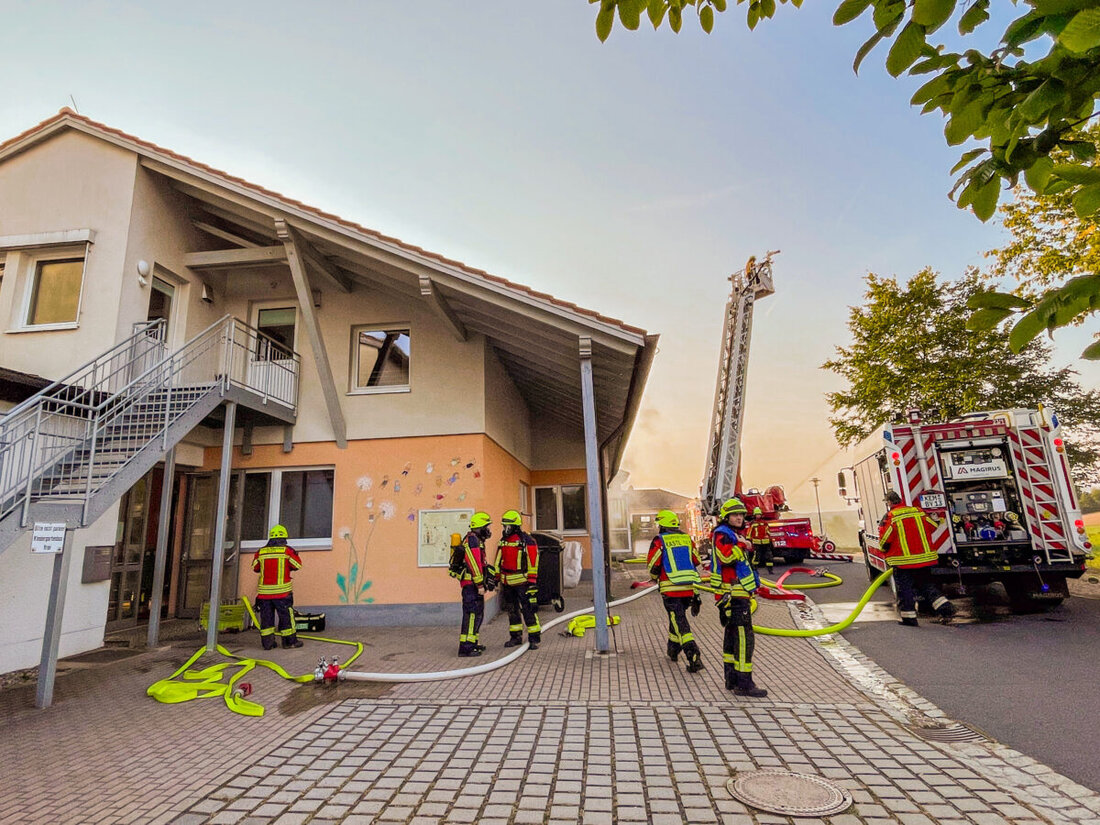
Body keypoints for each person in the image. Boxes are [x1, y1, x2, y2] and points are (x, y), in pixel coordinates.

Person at [711, 498, 767, 697]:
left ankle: (732, 679)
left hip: (736, 593)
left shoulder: (733, 534)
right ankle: (744, 684)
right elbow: (725, 557)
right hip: (734, 594)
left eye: (742, 514)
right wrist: (742, 545)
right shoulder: (723, 534)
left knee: (732, 637)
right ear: (726, 517)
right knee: (744, 639)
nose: (739, 518)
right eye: (735, 515)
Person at [879, 491, 956, 626]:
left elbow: (886, 539)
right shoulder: (918, 512)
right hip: (925, 559)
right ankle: (945, 607)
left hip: (903, 562)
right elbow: (933, 525)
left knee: (905, 590)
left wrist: (883, 549)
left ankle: (909, 618)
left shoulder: (892, 516)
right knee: (926, 585)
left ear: (889, 503)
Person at [647, 510, 705, 673]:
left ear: (663, 525)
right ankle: (673, 650)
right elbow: (697, 560)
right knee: (677, 618)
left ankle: (693, 655)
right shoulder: (687, 539)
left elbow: (653, 564)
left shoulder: (660, 540)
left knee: (680, 622)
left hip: (670, 589)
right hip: (688, 589)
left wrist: (653, 577)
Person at [252, 524, 303, 650]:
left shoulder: (261, 552)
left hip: (264, 595)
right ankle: (289, 642)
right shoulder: (286, 551)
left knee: (266, 619)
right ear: (284, 538)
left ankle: (268, 644)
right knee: (286, 618)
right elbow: (297, 565)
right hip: (282, 593)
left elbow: (255, 568)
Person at [495, 509, 541, 649]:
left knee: (528, 610)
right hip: (507, 582)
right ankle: (515, 637)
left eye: (507, 526)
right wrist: (497, 577)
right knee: (512, 611)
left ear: (515, 526)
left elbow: (533, 561)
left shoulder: (526, 541)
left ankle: (534, 638)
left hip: (523, 583)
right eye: (504, 526)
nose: (505, 529)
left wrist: (532, 582)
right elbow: (498, 560)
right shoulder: (503, 541)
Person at [458, 511, 492, 656]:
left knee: (477, 614)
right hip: (471, 585)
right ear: (479, 527)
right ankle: (466, 648)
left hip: (473, 584)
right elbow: (474, 563)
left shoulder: (476, 540)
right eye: (486, 526)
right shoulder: (472, 540)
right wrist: (479, 584)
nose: (488, 530)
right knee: (471, 614)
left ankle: (473, 643)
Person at [746, 506, 774, 573]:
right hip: (757, 543)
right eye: (757, 514)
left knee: (769, 556)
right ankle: (754, 569)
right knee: (756, 557)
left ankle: (770, 570)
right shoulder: (753, 523)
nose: (758, 516)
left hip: (766, 542)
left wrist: (770, 539)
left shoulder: (764, 523)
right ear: (754, 515)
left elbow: (768, 531)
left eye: (759, 514)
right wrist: (748, 540)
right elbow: (749, 532)